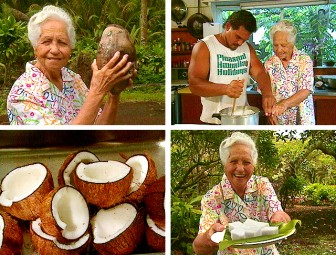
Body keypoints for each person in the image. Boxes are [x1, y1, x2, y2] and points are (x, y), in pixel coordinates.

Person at [7, 5, 136, 125]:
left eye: (62, 42)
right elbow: (62, 142)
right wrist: (97, 90)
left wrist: (113, 95)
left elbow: (98, 127)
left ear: (70, 48)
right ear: (35, 48)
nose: (55, 50)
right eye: (46, 41)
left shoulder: (73, 80)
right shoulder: (22, 94)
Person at [193, 132, 291, 255]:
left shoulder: (263, 185)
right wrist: (209, 236)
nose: (240, 168)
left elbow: (278, 214)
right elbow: (198, 248)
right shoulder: (212, 197)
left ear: (253, 165)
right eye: (234, 161)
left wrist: (281, 217)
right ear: (225, 164)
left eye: (246, 162)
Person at [188, 10, 276, 124]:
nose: (240, 43)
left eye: (244, 40)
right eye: (238, 37)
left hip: (242, 117)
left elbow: (260, 73)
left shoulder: (247, 48)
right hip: (214, 119)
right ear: (228, 26)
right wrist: (226, 89)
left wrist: (267, 93)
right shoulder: (205, 46)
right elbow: (194, 84)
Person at [265, 20, 315, 125]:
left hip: (302, 117)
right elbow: (267, 93)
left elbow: (305, 90)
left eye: (283, 45)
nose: (278, 49)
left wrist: (284, 104)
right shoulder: (269, 64)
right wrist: (269, 113)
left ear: (292, 43)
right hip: (279, 119)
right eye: (275, 45)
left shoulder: (304, 60)